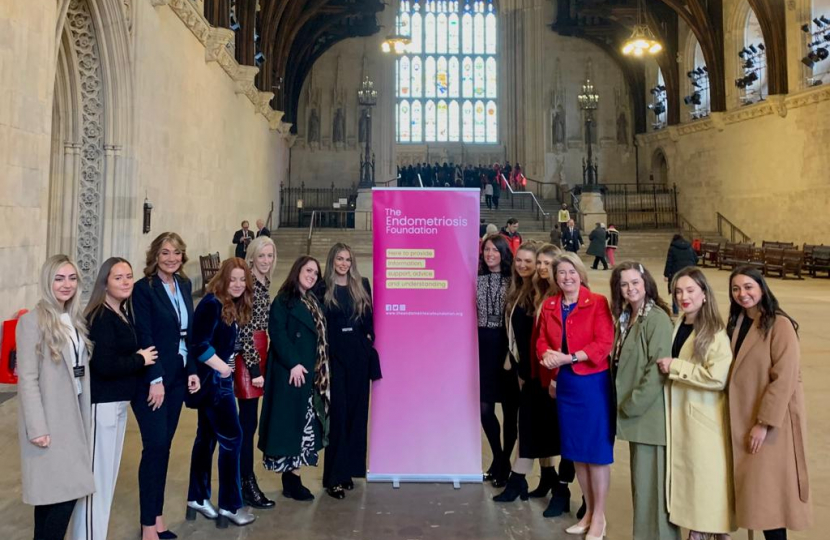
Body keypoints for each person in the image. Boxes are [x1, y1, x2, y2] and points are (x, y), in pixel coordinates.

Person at [70, 258, 158, 540]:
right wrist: (140, 359)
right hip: (102, 406)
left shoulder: (121, 312)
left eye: (129, 276)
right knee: (97, 481)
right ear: (104, 282)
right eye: (118, 277)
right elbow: (103, 366)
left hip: (118, 405)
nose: (125, 281)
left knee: (107, 480)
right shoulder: (100, 316)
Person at [726, 266, 811, 540]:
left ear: (762, 288)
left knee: (770, 501)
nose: (742, 294)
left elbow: (784, 379)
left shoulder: (779, 324)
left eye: (748, 287)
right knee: (756, 499)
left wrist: (763, 424)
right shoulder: (738, 322)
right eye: (736, 288)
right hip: (743, 417)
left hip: (771, 425)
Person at [536, 252, 614, 540]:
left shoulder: (597, 303)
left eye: (571, 272)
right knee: (577, 453)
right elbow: (542, 339)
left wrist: (568, 358)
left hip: (591, 383)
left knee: (595, 453)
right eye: (561, 273)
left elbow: (603, 343)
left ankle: (600, 517)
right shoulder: (550, 305)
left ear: (580, 274)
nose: (566, 277)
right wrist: (546, 355)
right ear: (555, 278)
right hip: (566, 384)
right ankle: (589, 512)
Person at [17, 255, 94, 540]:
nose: (66, 285)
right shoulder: (31, 321)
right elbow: (27, 378)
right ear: (47, 281)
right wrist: (37, 428)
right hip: (50, 421)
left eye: (72, 278)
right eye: (59, 278)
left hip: (73, 414)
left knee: (54, 497)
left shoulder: (73, 319)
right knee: (60, 497)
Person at [656, 267, 735, 540]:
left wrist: (677, 367)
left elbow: (718, 377)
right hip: (681, 413)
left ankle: (705, 531)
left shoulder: (714, 332)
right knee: (690, 480)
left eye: (690, 290)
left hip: (704, 418)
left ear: (704, 293)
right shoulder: (680, 323)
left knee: (705, 481)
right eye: (679, 291)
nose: (683, 296)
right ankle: (699, 529)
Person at [132, 232, 201, 540]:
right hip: (153, 381)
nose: (171, 258)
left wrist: (192, 370)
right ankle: (148, 526)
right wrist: (155, 378)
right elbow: (144, 335)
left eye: (176, 253)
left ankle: (158, 519)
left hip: (177, 377)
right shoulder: (143, 290)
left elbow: (189, 334)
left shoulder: (184, 285)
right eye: (164, 253)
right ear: (154, 257)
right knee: (155, 447)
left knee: (165, 448)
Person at [609, 262, 679, 540]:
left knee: (655, 490)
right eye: (624, 284)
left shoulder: (656, 318)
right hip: (636, 415)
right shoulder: (628, 316)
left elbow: (657, 369)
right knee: (643, 487)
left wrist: (631, 404)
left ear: (646, 282)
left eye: (635, 282)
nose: (630, 288)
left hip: (650, 416)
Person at [186, 258, 256, 528]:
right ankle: (230, 504)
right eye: (233, 279)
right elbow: (198, 344)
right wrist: (223, 370)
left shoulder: (230, 304)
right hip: (215, 383)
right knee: (232, 439)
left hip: (215, 380)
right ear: (223, 279)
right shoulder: (211, 303)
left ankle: (198, 496)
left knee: (206, 438)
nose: (238, 284)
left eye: (242, 279)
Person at [259, 256, 330, 501]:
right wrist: (293, 363)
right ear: (297, 269)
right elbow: (276, 333)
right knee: (290, 427)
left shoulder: (311, 300)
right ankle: (291, 480)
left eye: (315, 273)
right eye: (308, 270)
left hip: (309, 373)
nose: (312, 275)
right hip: (291, 374)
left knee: (303, 427)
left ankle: (294, 478)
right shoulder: (283, 300)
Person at [319, 243, 378, 499]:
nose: (343, 263)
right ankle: (334, 476)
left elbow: (369, 319)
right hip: (334, 359)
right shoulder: (322, 288)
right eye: (339, 259)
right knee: (339, 416)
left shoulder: (361, 284)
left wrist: (367, 341)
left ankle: (349, 471)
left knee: (356, 414)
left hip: (358, 357)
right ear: (332, 261)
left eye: (347, 259)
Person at [235, 236, 277, 509]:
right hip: (249, 357)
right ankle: (245, 482)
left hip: (262, 352)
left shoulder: (264, 283)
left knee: (249, 423)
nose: (266, 260)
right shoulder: (248, 284)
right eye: (261, 255)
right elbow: (245, 329)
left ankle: (243, 479)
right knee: (246, 424)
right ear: (251, 256)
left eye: (270, 256)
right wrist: (253, 368)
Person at [477, 235, 518, 488]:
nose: (490, 253)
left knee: (511, 412)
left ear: (504, 253)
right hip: (482, 346)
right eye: (486, 249)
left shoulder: (514, 282)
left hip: (506, 348)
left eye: (495, 250)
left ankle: (503, 464)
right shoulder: (475, 279)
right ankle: (499, 457)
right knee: (484, 409)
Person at [663, 234, 697, 314]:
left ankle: (675, 311)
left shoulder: (672, 248)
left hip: (677, 273)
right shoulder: (689, 247)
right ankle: (691, 308)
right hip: (689, 272)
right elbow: (696, 258)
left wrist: (666, 274)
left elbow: (669, 262)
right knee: (689, 289)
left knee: (676, 290)